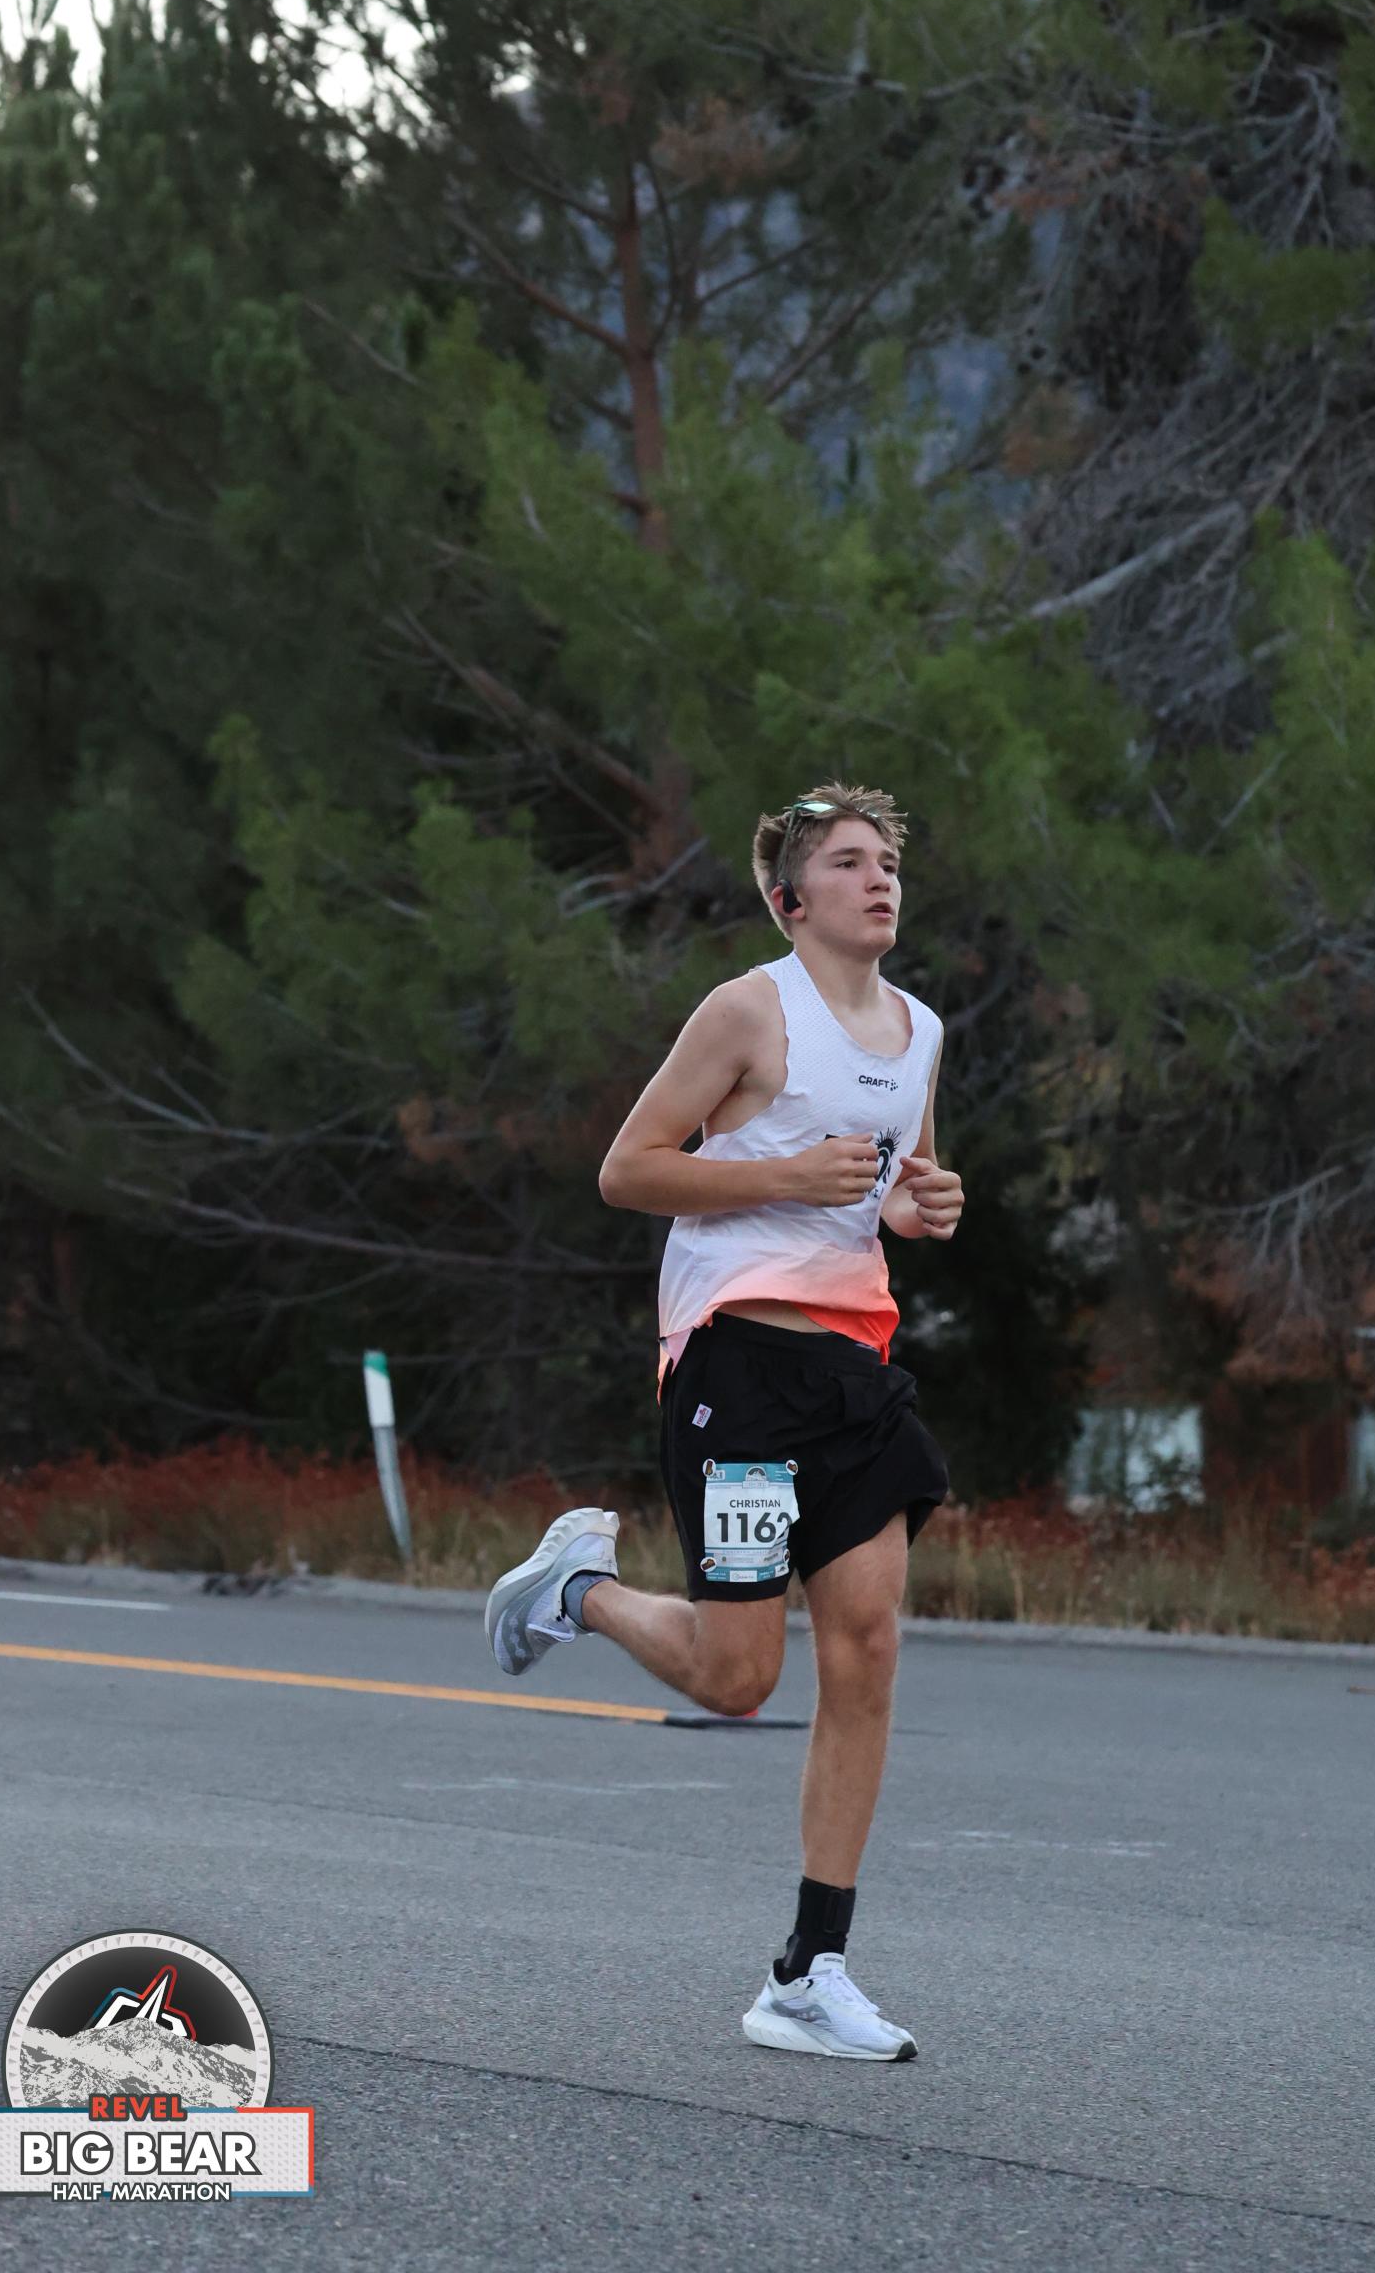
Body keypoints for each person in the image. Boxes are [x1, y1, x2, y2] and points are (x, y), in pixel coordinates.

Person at [483, 781, 965, 2060]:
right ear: (789, 898)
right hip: (737, 1369)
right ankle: (577, 1590)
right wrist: (779, 1174)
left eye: (887, 861)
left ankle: (808, 1972)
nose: (879, 880)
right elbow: (626, 1169)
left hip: (854, 1371)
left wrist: (918, 1205)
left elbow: (889, 1187)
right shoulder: (748, 1010)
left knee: (867, 1647)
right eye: (848, 862)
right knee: (739, 1678)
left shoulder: (917, 1030)